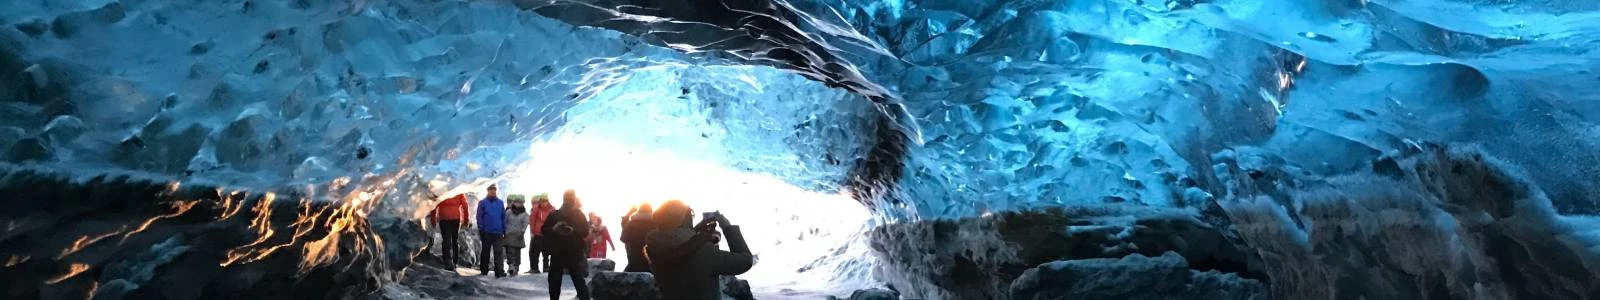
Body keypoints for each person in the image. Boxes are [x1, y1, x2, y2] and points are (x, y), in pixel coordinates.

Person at [646, 200, 754, 300]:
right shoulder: (704, 252)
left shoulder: (654, 246)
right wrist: (728, 228)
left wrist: (697, 232)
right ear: (686, 220)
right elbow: (745, 261)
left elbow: (679, 244)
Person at [541, 189, 593, 300]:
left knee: (555, 280)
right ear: (574, 200)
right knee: (578, 279)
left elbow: (544, 230)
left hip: (558, 251)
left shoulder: (554, 214)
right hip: (573, 251)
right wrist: (573, 230)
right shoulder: (579, 215)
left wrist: (555, 229)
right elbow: (585, 231)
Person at [476, 185, 508, 277]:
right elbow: (479, 216)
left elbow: (503, 217)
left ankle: (499, 271)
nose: (493, 192)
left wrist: (504, 229)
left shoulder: (500, 203)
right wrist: (481, 228)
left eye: (494, 190)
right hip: (486, 231)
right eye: (491, 190)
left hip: (498, 231)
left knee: (498, 252)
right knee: (485, 251)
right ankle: (484, 270)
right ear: (488, 191)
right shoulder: (482, 203)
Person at [430, 194, 470, 268]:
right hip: (451, 219)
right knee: (452, 240)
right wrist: (466, 220)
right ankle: (452, 261)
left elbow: (434, 205)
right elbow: (465, 206)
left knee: (449, 240)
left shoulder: (443, 191)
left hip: (448, 219)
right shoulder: (458, 192)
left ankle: (449, 261)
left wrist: (433, 219)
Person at [620, 203, 654, 272]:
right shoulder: (656, 224)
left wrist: (628, 215)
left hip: (634, 262)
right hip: (650, 264)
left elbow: (623, 238)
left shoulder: (631, 224)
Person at [527, 193, 556, 274]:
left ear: (548, 201)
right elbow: (532, 220)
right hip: (538, 234)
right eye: (542, 201)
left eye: (545, 201)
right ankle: (535, 268)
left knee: (546, 253)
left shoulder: (552, 209)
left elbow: (554, 221)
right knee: (535, 252)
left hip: (547, 234)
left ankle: (546, 268)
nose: (543, 203)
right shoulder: (536, 209)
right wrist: (532, 231)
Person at [503, 194, 530, 276]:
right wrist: (504, 231)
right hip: (509, 234)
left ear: (522, 203)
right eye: (516, 202)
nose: (517, 204)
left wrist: (522, 232)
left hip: (519, 235)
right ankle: (511, 265)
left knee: (517, 252)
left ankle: (516, 266)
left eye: (519, 202)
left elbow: (525, 224)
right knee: (510, 251)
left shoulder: (525, 214)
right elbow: (504, 221)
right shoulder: (508, 212)